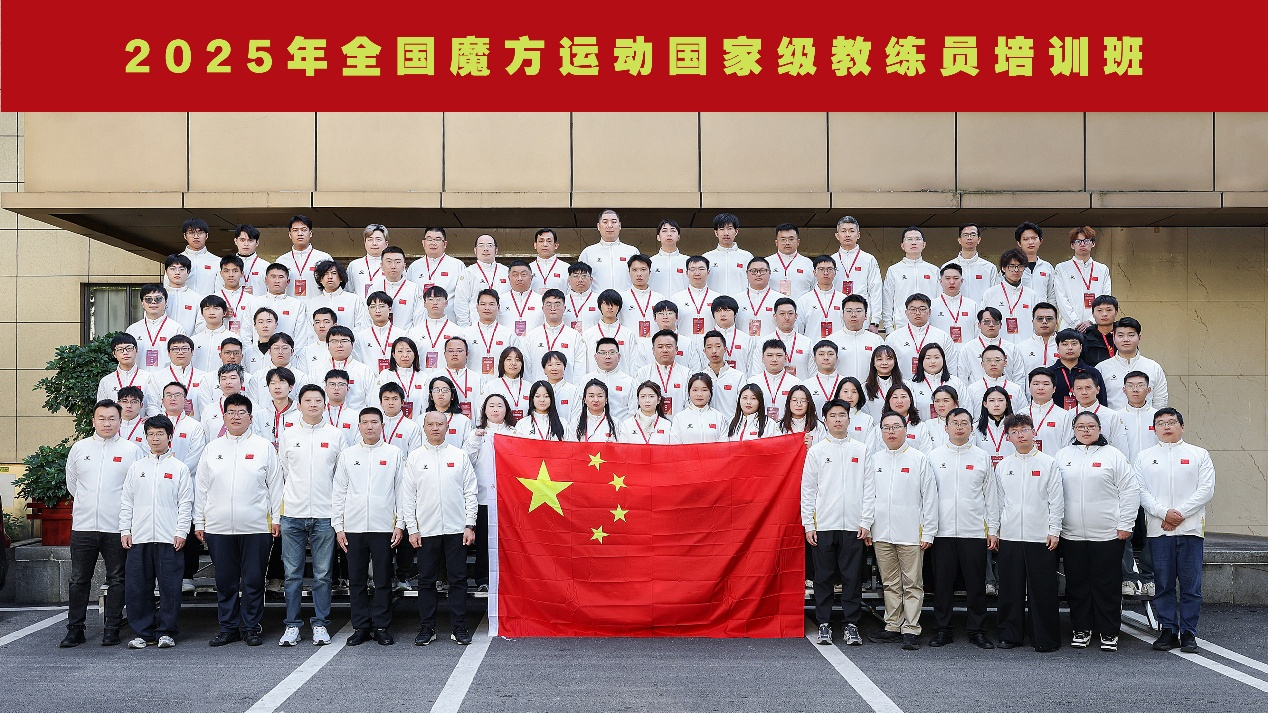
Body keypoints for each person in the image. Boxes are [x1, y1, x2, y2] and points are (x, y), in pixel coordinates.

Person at [195, 394, 283, 647]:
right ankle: (228, 627)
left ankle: (251, 627)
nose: (236, 417)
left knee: (254, 580)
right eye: (231, 412)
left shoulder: (263, 447)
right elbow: (201, 488)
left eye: (241, 412)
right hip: (218, 527)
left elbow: (276, 485)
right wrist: (199, 522)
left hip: (256, 526)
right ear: (223, 417)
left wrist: (276, 518)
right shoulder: (212, 449)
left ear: (250, 417)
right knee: (225, 581)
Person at [59, 400, 146, 648]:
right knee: (78, 579)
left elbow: (136, 489)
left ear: (120, 421)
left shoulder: (132, 450)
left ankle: (112, 628)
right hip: (84, 526)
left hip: (117, 527)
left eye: (112, 418)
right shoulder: (80, 448)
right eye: (101, 418)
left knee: (117, 578)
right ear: (93, 421)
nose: (107, 423)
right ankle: (75, 629)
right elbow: (72, 483)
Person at [1056, 411, 1138, 652]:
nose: (1086, 430)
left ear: (1099, 429)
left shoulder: (1113, 455)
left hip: (1108, 533)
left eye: (1091, 426)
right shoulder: (1062, 456)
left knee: (1107, 584)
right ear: (1073, 430)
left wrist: (1126, 524)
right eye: (1080, 426)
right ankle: (1081, 629)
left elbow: (1130, 491)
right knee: (1077, 585)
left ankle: (1109, 631)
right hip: (1071, 534)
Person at [1136, 408, 1215, 654]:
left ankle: (1189, 633)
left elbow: (1206, 490)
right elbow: (1141, 491)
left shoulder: (1199, 454)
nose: (1166, 427)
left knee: (1191, 585)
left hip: (1190, 529)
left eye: (1171, 422)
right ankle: (1168, 630)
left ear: (1182, 426)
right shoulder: (1144, 457)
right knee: (1163, 583)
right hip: (1159, 530)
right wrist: (1163, 513)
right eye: (1160, 423)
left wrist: (1178, 514)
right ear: (1154, 429)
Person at [400, 411, 478, 646]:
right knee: (426, 580)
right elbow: (408, 496)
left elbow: (470, 492)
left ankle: (459, 627)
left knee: (458, 580)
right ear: (424, 428)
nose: (435, 428)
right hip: (426, 530)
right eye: (431, 424)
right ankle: (427, 627)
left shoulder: (459, 455)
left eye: (439, 424)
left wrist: (469, 524)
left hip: (456, 529)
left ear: (447, 428)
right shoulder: (415, 457)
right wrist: (412, 528)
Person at [863, 411, 937, 650]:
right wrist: (868, 527)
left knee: (912, 583)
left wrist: (928, 531)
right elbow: (868, 496)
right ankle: (893, 625)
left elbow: (930, 497)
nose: (891, 432)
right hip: (881, 532)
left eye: (896, 427)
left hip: (911, 532)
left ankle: (911, 628)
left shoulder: (918, 459)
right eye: (886, 428)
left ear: (906, 430)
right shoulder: (874, 460)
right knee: (890, 582)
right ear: (881, 432)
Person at [989, 413, 1063, 652]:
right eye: (1014, 432)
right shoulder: (1003, 466)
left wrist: (1054, 529)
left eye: (1024, 430)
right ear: (1008, 437)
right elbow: (997, 502)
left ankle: (1045, 638)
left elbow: (1056, 500)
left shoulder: (1048, 463)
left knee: (1043, 589)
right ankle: (1009, 635)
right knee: (1010, 588)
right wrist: (994, 530)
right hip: (1010, 535)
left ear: (1033, 432)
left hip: (1040, 535)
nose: (1020, 435)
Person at [120, 415, 194, 649]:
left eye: (160, 434)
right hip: (139, 537)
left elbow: (186, 503)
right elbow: (127, 501)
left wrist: (182, 531)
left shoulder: (179, 468)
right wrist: (125, 529)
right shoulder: (137, 468)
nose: (155, 438)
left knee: (170, 587)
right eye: (151, 434)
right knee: (138, 588)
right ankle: (143, 633)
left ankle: (167, 631)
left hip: (169, 537)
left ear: (169, 437)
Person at [276, 385, 343, 647]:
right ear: (299, 405)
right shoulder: (288, 434)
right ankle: (292, 625)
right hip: (293, 513)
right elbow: (284, 472)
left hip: (325, 515)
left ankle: (320, 624)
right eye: (308, 400)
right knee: (292, 575)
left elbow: (340, 476)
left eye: (317, 400)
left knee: (323, 575)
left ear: (325, 404)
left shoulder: (335, 435)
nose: (313, 404)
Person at [802, 399, 872, 646]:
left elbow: (869, 488)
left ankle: (851, 624)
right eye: (833, 415)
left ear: (849, 419)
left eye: (842, 415)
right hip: (824, 524)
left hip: (853, 525)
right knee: (823, 577)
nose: (838, 419)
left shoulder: (861, 450)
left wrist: (866, 520)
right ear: (826, 420)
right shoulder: (817, 451)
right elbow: (808, 490)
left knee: (852, 577)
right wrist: (809, 524)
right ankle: (824, 623)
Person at [333, 407, 405, 646]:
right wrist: (339, 526)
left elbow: (401, 491)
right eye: (365, 422)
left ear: (382, 425)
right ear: (359, 426)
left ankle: (381, 626)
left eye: (374, 422)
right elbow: (339, 491)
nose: (369, 426)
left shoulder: (393, 453)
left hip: (384, 526)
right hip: (353, 527)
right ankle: (361, 626)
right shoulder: (348, 454)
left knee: (383, 579)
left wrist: (400, 524)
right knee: (356, 580)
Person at [927, 406, 996, 649]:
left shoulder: (981, 457)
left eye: (964, 423)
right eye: (954, 423)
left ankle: (977, 630)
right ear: (945, 427)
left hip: (973, 531)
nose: (959, 427)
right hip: (942, 531)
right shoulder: (934, 457)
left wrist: (992, 529)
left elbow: (991, 495)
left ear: (971, 427)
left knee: (975, 585)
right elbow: (927, 495)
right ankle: (942, 629)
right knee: (942, 584)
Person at [463, 394, 519, 589]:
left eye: (500, 406)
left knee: (509, 541)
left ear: (506, 410)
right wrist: (474, 440)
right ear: (484, 410)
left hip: (509, 497)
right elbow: (466, 461)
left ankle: (510, 580)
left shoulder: (515, 433)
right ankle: (483, 580)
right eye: (491, 406)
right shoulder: (476, 434)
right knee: (484, 542)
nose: (495, 409)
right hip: (484, 497)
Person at [157, 382, 207, 591]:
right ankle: (161, 574)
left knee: (188, 527)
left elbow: (196, 456)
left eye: (177, 395)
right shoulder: (154, 424)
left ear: (185, 400)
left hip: (188, 482)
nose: (173, 398)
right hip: (159, 484)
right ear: (162, 400)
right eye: (168, 395)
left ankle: (187, 575)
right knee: (163, 527)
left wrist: (176, 475)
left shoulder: (194, 426)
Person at [1119, 371, 1158, 596]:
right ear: (1123, 390)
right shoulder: (1115, 417)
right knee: (1124, 531)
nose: (1135, 389)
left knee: (1151, 531)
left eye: (1140, 385)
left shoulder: (1158, 416)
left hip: (1152, 483)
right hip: (1125, 483)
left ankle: (1148, 577)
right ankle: (1128, 578)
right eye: (1130, 385)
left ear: (1149, 390)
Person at [1097, 317, 1169, 411]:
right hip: (1113, 420)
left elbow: (1160, 400)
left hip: (1147, 420)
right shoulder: (1102, 368)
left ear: (1139, 338)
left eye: (1131, 335)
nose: (1126, 339)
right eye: (1120, 335)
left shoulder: (1153, 367)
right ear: (1114, 338)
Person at [886, 294, 956, 384]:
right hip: (902, 388)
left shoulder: (942, 337)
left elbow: (951, 367)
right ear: (906, 312)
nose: (917, 313)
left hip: (935, 387)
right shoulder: (893, 338)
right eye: (913, 309)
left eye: (922, 309)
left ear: (929, 312)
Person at [882, 227, 939, 333]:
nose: (914, 242)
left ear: (924, 244)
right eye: (909, 239)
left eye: (917, 239)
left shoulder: (934, 270)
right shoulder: (894, 270)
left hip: (930, 327)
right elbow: (887, 301)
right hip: (901, 327)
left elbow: (939, 300)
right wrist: (888, 327)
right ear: (902, 245)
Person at [831, 216, 884, 330]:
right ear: (837, 235)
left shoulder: (868, 259)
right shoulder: (831, 261)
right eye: (843, 231)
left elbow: (876, 290)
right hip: (836, 314)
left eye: (851, 231)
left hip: (862, 316)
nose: (847, 235)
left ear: (858, 235)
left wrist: (875, 320)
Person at [1054, 226, 1111, 330]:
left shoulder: (1102, 269)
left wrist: (1091, 321)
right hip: (1069, 327)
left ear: (1093, 243)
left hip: (1095, 327)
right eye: (1078, 241)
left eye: (1086, 241)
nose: (1082, 244)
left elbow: (1106, 298)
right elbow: (1061, 299)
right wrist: (1075, 323)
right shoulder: (1061, 268)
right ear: (1072, 245)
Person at [521, 289, 583, 383]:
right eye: (549, 304)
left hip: (566, 390)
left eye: (557, 304)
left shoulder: (574, 336)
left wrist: (574, 390)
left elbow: (579, 371)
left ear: (564, 308)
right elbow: (527, 371)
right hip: (539, 390)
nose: (553, 308)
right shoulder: (532, 336)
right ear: (543, 308)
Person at [464, 289, 520, 390]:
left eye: (491, 304)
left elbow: (518, 362)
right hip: (472, 386)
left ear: (498, 307)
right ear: (477, 307)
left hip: (501, 387)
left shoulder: (508, 335)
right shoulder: (466, 334)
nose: (487, 308)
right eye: (483, 304)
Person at [980, 249, 1039, 344]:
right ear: (1003, 268)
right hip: (998, 347)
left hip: (1026, 346)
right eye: (1012, 266)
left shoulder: (1032, 295)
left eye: (1020, 266)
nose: (1016, 270)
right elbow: (982, 323)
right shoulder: (991, 294)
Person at [954, 307, 1026, 384]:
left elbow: (1019, 378)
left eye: (995, 321)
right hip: (978, 391)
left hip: (1005, 390)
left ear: (1001, 325)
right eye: (987, 321)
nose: (991, 325)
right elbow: (962, 378)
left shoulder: (1011, 348)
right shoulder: (968, 349)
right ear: (979, 325)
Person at [406, 227, 464, 321]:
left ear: (445, 244)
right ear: (423, 243)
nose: (433, 243)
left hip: (449, 321)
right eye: (429, 239)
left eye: (437, 239)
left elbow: (462, 298)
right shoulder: (414, 266)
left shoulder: (457, 265)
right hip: (420, 322)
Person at [146, 335, 212, 417]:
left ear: (192, 352)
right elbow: (152, 406)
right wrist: (164, 423)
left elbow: (208, 407)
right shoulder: (156, 377)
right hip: (166, 423)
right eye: (175, 349)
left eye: (185, 349)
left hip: (197, 423)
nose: (180, 352)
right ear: (168, 353)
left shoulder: (204, 377)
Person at [453, 234, 509, 327]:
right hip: (476, 327)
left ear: (496, 250)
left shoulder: (506, 272)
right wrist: (465, 328)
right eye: (481, 245)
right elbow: (461, 302)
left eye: (490, 245)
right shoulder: (468, 273)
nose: (485, 249)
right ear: (475, 250)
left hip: (502, 327)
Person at [127, 284, 187, 372]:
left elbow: (182, 360)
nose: (153, 302)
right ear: (142, 303)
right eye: (148, 299)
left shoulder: (176, 329)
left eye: (158, 299)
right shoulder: (132, 330)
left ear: (166, 302)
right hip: (139, 378)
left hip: (167, 378)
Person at [274, 215, 333, 301]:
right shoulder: (281, 261)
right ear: (290, 234)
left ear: (310, 233)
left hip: (317, 307)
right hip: (290, 307)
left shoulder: (324, 258)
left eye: (304, 230)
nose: (300, 234)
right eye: (295, 230)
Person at [828, 294, 885, 383]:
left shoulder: (877, 340)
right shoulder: (831, 340)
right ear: (842, 315)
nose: (853, 315)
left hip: (869, 389)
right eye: (849, 311)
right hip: (841, 389)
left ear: (866, 315)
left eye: (858, 311)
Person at [578, 210, 639, 292]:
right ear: (598, 226)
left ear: (619, 225)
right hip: (597, 299)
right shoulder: (588, 253)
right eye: (605, 222)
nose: (609, 225)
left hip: (626, 299)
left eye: (614, 222)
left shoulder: (632, 251)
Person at [254, 264, 312, 350]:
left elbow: (301, 335)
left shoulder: (297, 305)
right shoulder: (254, 302)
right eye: (273, 277)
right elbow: (246, 332)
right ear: (266, 280)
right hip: (257, 353)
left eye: (281, 277)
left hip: (287, 354)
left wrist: (294, 354)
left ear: (288, 281)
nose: (277, 281)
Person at [634, 330, 690, 417]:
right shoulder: (643, 372)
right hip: (651, 423)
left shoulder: (686, 373)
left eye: (669, 346)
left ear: (676, 349)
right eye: (660, 347)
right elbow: (636, 403)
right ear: (653, 350)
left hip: (680, 422)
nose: (664, 350)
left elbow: (689, 403)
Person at [1070, 372, 1129, 452]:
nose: (1084, 392)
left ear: (1097, 389)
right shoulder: (1067, 415)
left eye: (1088, 387)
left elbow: (1121, 446)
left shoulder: (1112, 416)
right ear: (1073, 391)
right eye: (1079, 388)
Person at [1050, 329, 1109, 409]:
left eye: (1074, 344)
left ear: (1081, 347)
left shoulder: (1093, 372)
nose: (1070, 348)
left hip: (1088, 416)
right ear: (1057, 348)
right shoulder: (1049, 374)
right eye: (1065, 344)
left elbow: (1102, 401)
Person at [753, 298, 811, 378]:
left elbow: (813, 375)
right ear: (775, 316)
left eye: (790, 313)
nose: (786, 317)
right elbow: (757, 373)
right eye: (782, 314)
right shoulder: (763, 342)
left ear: (796, 316)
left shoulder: (807, 342)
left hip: (801, 385)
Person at [581, 289, 633, 375]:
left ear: (619, 307)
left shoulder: (627, 334)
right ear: (600, 306)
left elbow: (633, 363)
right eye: (606, 304)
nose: (610, 307)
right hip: (594, 381)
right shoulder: (588, 334)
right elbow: (583, 364)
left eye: (614, 304)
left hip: (621, 380)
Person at [944, 223, 999, 303]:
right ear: (959, 240)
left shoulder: (989, 267)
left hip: (982, 310)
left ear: (979, 239)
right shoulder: (947, 267)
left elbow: (995, 295)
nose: (969, 238)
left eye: (973, 235)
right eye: (965, 235)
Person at [965, 345, 1029, 413]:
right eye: (988, 360)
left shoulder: (1016, 389)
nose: (993, 363)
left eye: (997, 360)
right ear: (982, 364)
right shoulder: (972, 389)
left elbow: (1023, 415)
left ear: (1005, 363)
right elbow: (967, 414)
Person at [97, 333, 156, 406]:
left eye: (129, 348)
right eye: (120, 349)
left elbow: (153, 406)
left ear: (136, 350)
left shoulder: (149, 378)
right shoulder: (106, 381)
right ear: (114, 354)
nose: (125, 352)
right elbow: (101, 408)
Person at [584, 337, 634, 421]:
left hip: (622, 427)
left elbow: (633, 411)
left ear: (619, 356)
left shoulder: (629, 381)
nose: (607, 356)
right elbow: (581, 408)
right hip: (593, 426)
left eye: (612, 352)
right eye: (603, 353)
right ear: (595, 357)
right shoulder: (586, 379)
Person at [703, 212, 753, 297]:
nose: (726, 233)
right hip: (714, 303)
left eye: (729, 228)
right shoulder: (706, 257)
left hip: (740, 302)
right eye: (721, 229)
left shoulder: (747, 257)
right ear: (716, 232)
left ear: (736, 231)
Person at [910, 344, 965, 420]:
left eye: (936, 357)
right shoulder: (912, 385)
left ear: (943, 360)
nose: (932, 361)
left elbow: (965, 408)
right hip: (921, 426)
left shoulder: (956, 382)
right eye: (928, 358)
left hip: (952, 427)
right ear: (921, 361)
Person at [796, 255, 846, 340]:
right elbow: (799, 329)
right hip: (812, 346)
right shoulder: (804, 300)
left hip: (838, 346)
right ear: (814, 272)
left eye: (830, 269)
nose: (826, 273)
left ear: (835, 272)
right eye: (821, 269)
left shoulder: (843, 299)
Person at [312, 259, 369, 331]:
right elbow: (309, 329)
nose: (330, 277)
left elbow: (361, 326)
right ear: (320, 279)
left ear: (341, 277)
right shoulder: (313, 302)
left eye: (334, 273)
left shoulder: (354, 300)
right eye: (326, 273)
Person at [698, 330, 745, 418]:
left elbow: (743, 406)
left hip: (731, 425)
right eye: (709, 347)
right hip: (706, 424)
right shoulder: (699, 378)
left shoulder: (738, 377)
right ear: (704, 351)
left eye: (718, 346)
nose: (714, 351)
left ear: (725, 349)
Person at [1026, 368, 1072, 455]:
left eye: (1046, 384)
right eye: (1036, 384)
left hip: (1055, 462)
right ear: (1029, 387)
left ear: (1054, 389)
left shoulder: (1064, 415)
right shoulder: (1021, 414)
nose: (1040, 388)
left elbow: (1068, 446)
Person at [931, 264, 979, 346]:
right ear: (940, 281)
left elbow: (978, 332)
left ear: (962, 281)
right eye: (947, 278)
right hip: (940, 351)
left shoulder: (972, 305)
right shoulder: (932, 305)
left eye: (956, 278)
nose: (952, 282)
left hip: (966, 351)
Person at [667, 373, 724, 444]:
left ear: (710, 392)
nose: (699, 394)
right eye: (695, 390)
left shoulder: (719, 417)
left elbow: (723, 446)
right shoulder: (679, 418)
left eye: (704, 390)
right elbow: (675, 445)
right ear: (689, 392)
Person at [621, 254, 666, 339]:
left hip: (655, 344)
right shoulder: (622, 298)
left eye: (643, 269)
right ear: (629, 272)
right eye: (634, 270)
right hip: (629, 343)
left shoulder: (660, 298)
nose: (639, 274)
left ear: (649, 272)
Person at [672, 256, 717, 338]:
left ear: (708, 272)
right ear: (687, 273)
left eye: (701, 269)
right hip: (684, 344)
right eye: (692, 269)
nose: (697, 273)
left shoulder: (716, 298)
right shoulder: (676, 298)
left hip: (710, 344)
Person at [481, 347, 530, 421]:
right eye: (509, 359)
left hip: (525, 427)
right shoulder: (491, 386)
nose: (513, 363)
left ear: (522, 364)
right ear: (502, 362)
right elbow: (481, 411)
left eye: (517, 360)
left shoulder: (529, 387)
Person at [217, 225, 266, 297]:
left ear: (257, 243)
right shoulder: (225, 265)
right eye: (242, 240)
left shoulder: (265, 266)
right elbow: (218, 290)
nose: (246, 244)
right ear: (235, 241)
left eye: (250, 240)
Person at [1014, 221, 1056, 305]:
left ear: (1040, 241)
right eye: (1025, 239)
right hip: (1019, 310)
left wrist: (1050, 311)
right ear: (1019, 243)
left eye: (1034, 238)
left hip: (1042, 311)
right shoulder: (1012, 267)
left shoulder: (1047, 267)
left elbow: (1052, 296)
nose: (1030, 242)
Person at [499, 260, 545, 336]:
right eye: (515, 275)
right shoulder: (500, 300)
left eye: (523, 274)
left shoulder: (542, 301)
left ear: (531, 277)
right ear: (509, 278)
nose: (519, 278)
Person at [767, 223, 814, 297]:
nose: (787, 243)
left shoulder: (808, 263)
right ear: (776, 242)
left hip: (800, 304)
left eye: (791, 239)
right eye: (783, 239)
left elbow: (814, 289)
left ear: (798, 242)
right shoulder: (767, 263)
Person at [358, 291, 401, 371]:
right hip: (368, 377)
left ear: (390, 309)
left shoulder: (400, 334)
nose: (377, 310)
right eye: (373, 307)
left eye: (381, 306)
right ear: (368, 310)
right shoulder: (360, 336)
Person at [753, 339, 795, 420]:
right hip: (760, 426)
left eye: (779, 355)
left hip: (786, 426)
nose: (774, 359)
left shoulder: (795, 383)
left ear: (785, 358)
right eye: (769, 355)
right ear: (762, 358)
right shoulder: (753, 382)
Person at [975, 386, 1017, 467]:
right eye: (992, 400)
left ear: (1007, 403)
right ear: (985, 404)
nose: (996, 404)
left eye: (1001, 400)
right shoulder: (975, 429)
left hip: (1011, 471)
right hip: (984, 471)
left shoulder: (1016, 428)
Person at [799, 340, 843, 416]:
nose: (826, 358)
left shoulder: (845, 383)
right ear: (814, 358)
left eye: (830, 354)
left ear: (836, 358)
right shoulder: (806, 385)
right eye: (821, 354)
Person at [192, 296, 235, 372]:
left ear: (224, 312)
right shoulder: (193, 340)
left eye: (216, 308)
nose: (211, 312)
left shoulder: (233, 339)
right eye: (207, 309)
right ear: (202, 313)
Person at [427, 375, 472, 448]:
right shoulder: (422, 419)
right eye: (436, 390)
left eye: (445, 390)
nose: (440, 393)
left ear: (452, 396)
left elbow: (468, 449)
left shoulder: (463, 421)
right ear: (431, 396)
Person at [738, 257, 778, 338]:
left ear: (769, 273)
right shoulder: (737, 300)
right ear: (747, 274)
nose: (758, 274)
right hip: (743, 344)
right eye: (753, 271)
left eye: (762, 270)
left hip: (770, 344)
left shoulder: (780, 300)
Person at [913, 384, 959, 453]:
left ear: (956, 403)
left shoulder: (963, 425)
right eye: (937, 401)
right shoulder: (927, 425)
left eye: (945, 401)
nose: (941, 405)